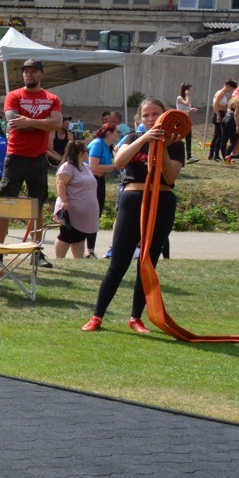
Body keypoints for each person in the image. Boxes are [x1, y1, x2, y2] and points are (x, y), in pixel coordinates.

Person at [82, 98, 186, 334]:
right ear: (139, 118)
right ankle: (97, 316)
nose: (151, 119)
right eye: (146, 115)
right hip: (133, 200)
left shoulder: (176, 143)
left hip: (162, 201)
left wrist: (164, 147)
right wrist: (144, 139)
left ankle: (136, 317)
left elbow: (170, 176)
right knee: (118, 262)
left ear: (164, 116)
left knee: (147, 262)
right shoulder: (131, 138)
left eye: (155, 114)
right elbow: (119, 162)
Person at [0, 57, 63, 261]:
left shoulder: (52, 98)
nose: (29, 74)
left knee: (37, 207)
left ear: (41, 74)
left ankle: (36, 252)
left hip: (38, 159)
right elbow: (14, 122)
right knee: (5, 204)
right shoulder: (14, 95)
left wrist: (29, 121)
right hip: (15, 157)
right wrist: (43, 123)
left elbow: (57, 124)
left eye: (33, 71)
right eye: (26, 71)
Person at [53, 140, 99, 259]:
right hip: (70, 210)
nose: (88, 153)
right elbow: (60, 184)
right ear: (80, 152)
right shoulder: (67, 167)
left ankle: (78, 260)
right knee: (67, 236)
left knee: (79, 237)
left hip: (85, 213)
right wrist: (64, 201)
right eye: (86, 150)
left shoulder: (86, 167)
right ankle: (60, 259)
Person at [86, 114, 119, 256]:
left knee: (96, 214)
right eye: (117, 132)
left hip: (100, 180)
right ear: (109, 133)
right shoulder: (98, 144)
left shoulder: (108, 146)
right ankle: (89, 250)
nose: (119, 134)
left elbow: (103, 167)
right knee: (91, 214)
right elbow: (93, 166)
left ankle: (90, 250)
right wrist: (116, 166)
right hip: (90, 181)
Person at [209, 79, 237, 161]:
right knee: (220, 136)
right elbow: (215, 105)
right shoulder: (220, 93)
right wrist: (218, 115)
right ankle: (216, 155)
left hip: (221, 113)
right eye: (231, 88)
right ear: (227, 86)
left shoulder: (223, 93)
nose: (231, 90)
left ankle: (211, 154)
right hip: (218, 114)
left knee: (216, 135)